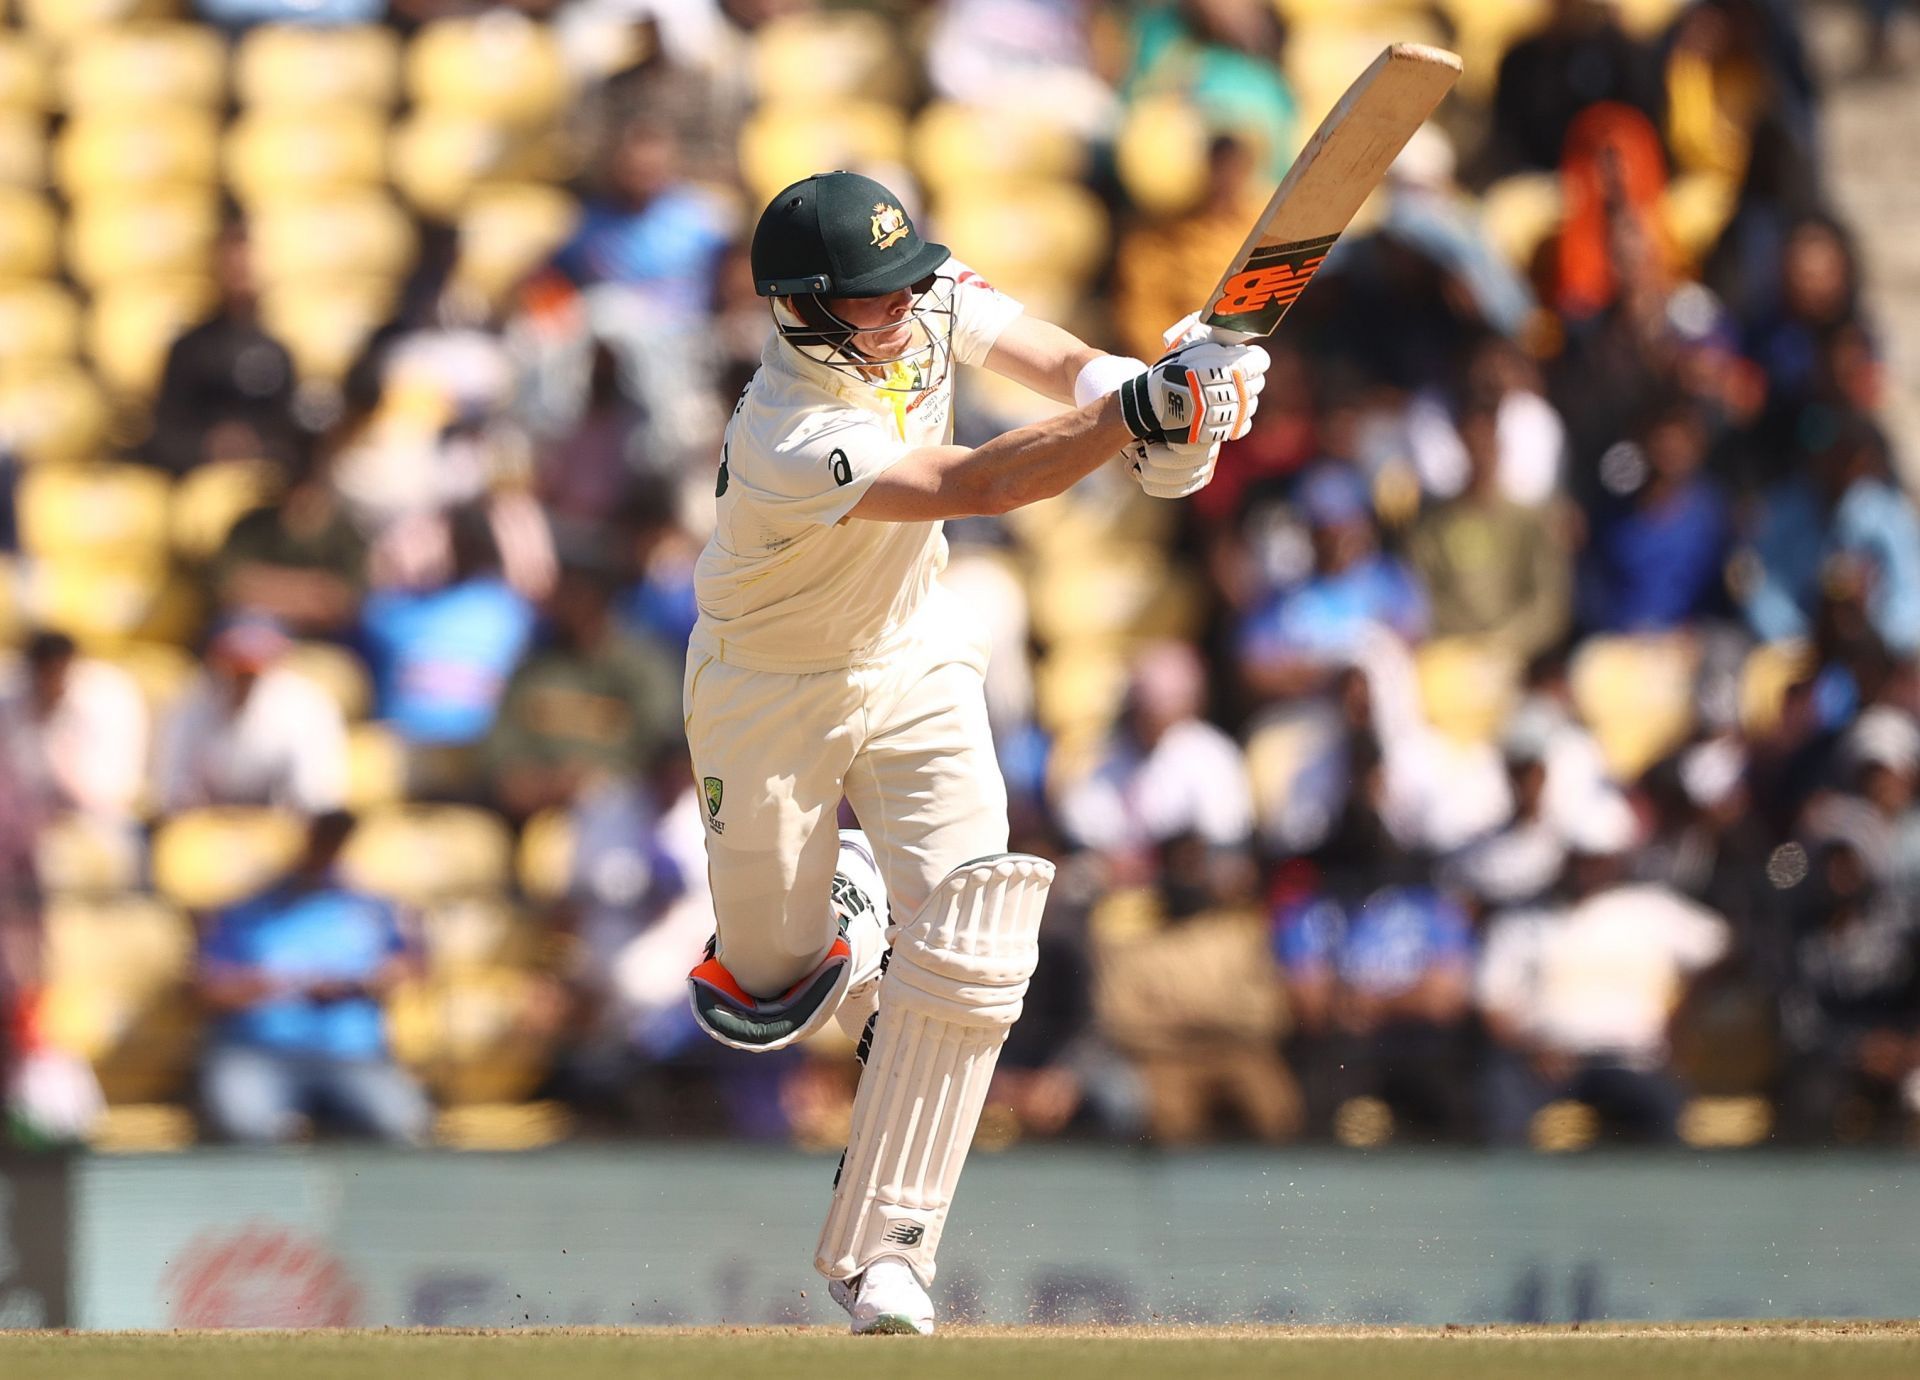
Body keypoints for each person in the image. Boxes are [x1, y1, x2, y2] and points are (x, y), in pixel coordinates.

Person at [682, 170, 1268, 1333]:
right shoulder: (789, 433)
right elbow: (981, 483)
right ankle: (838, 910)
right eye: (869, 300)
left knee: (977, 939)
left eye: (906, 285)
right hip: (767, 696)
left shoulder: (921, 295)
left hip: (911, 655)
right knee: (766, 991)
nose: (901, 310)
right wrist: (1136, 418)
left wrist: (1151, 385)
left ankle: (886, 1253)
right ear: (799, 307)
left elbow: (1046, 357)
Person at [197, 811, 431, 1146]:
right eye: (320, 836)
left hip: (352, 1054)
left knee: (404, 1122)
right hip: (260, 1052)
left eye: (336, 838)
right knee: (248, 1124)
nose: (327, 847)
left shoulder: (373, 909)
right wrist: (291, 985)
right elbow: (210, 989)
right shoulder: (244, 911)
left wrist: (367, 983)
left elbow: (410, 969)